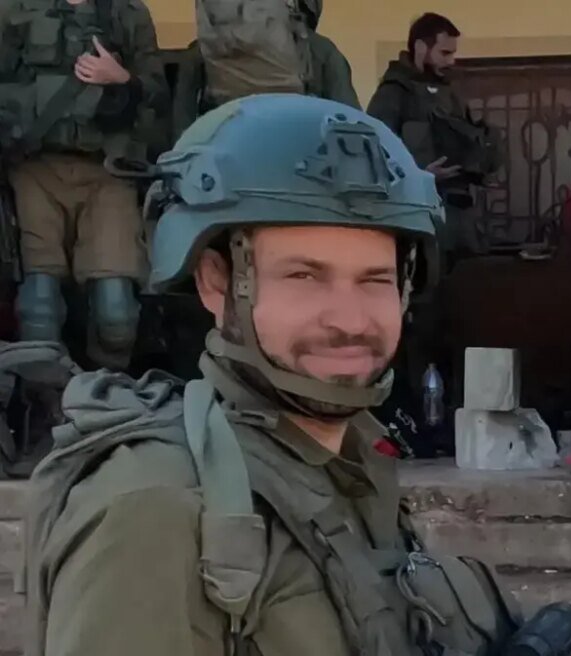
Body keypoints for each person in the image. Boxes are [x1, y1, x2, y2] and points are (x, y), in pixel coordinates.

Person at [20, 94, 529, 656]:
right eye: (304, 276)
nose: (349, 320)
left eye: (374, 279)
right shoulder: (157, 508)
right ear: (216, 282)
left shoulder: (347, 467)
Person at [0, 0, 167, 369]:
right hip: (35, 171)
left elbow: (158, 94)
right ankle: (42, 394)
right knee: (38, 310)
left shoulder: (127, 13)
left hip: (109, 172)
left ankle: (107, 394)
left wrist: (122, 79)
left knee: (116, 315)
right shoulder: (14, 10)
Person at [366, 11, 502, 258]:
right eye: (444, 53)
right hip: (414, 215)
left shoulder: (450, 94)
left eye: (453, 53)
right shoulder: (393, 94)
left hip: (458, 216)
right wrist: (420, 176)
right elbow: (373, 153)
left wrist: (481, 165)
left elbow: (469, 141)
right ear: (421, 47)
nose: (451, 61)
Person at [170, 0, 359, 142]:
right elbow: (353, 126)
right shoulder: (321, 50)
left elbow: (180, 130)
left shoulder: (204, 51)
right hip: (300, 163)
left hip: (224, 162)